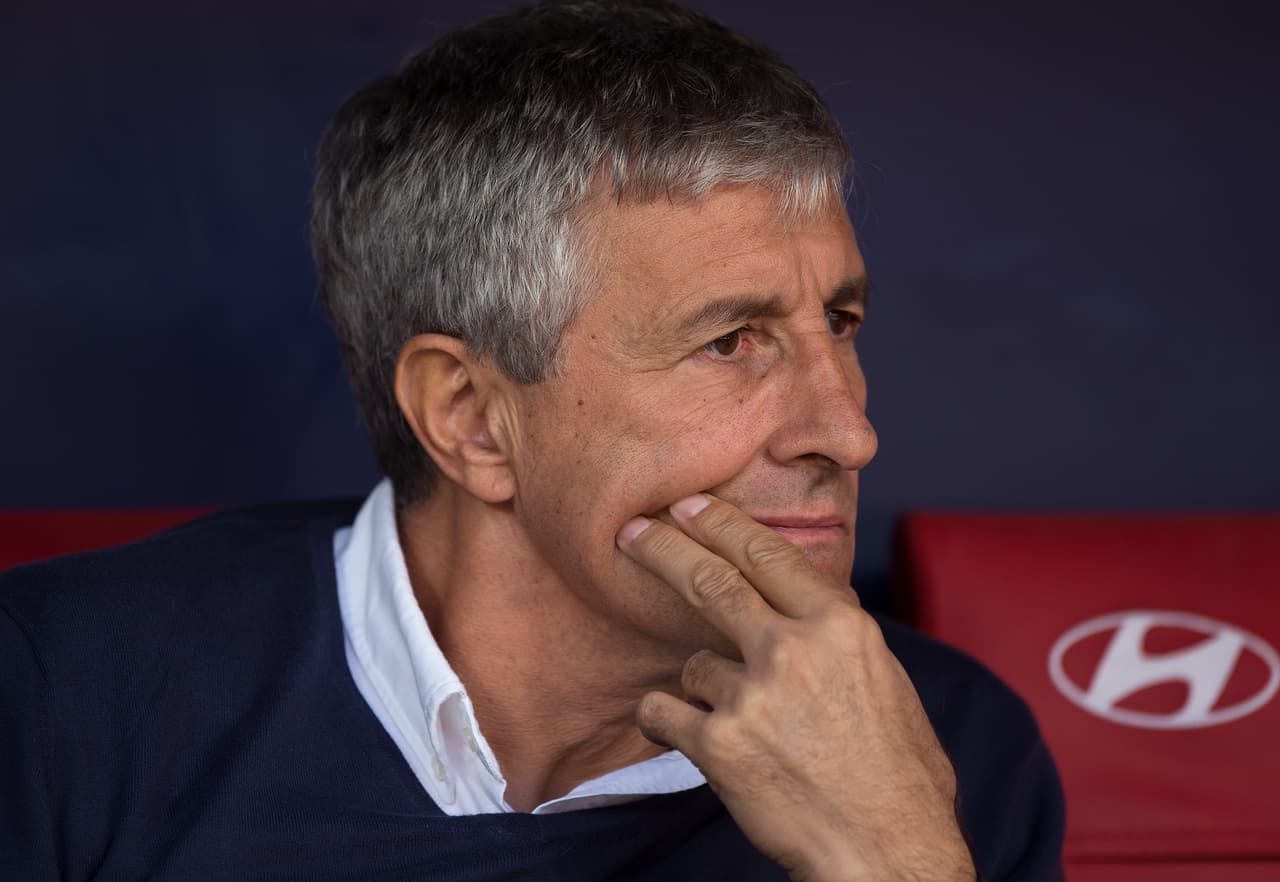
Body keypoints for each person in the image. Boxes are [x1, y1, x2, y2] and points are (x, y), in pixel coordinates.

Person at [0, 1, 1065, 879]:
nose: (849, 430)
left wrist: (897, 861)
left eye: (838, 323)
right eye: (731, 340)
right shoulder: (59, 695)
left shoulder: (946, 747)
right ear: (471, 419)